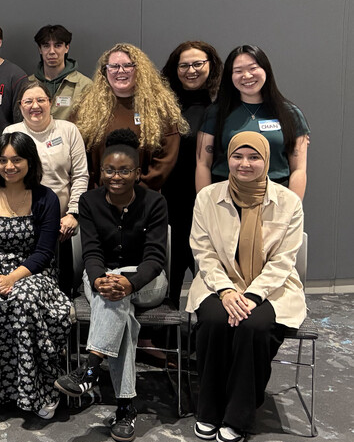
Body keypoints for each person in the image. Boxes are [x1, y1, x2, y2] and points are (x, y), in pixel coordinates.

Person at [188, 132, 305, 442]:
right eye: (237, 156)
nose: (245, 163)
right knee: (214, 320)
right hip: (219, 281)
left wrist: (253, 295)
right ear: (228, 158)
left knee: (252, 326)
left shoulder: (288, 202)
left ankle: (238, 416)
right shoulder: (207, 197)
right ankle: (209, 409)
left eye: (254, 157)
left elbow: (284, 260)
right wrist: (226, 291)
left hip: (271, 286)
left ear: (266, 161)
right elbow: (203, 251)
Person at [55, 129, 169, 442]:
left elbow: (155, 258)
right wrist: (99, 279)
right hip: (102, 278)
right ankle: (125, 408)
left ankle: (91, 367)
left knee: (116, 295)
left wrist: (129, 282)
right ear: (100, 172)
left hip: (147, 282)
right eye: (109, 170)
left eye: (123, 171)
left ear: (137, 173)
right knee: (121, 313)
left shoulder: (155, 202)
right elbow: (91, 252)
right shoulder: (89, 201)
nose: (115, 177)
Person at [0, 133, 70, 419]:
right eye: (3, 160)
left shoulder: (46, 198)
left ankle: (39, 391)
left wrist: (12, 279)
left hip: (33, 273)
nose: (9, 166)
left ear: (30, 161)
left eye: (16, 160)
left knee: (24, 302)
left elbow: (44, 252)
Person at [5, 82, 88, 293]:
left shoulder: (68, 130)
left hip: (62, 225)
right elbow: (4, 177)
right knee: (23, 284)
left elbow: (80, 175)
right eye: (28, 101)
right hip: (22, 223)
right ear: (20, 106)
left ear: (50, 103)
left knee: (61, 286)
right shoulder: (11, 132)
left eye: (41, 100)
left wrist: (73, 214)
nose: (35, 106)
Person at [196, 45, 310, 199]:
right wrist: (206, 204)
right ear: (230, 76)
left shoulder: (290, 114)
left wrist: (291, 207)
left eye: (253, 68)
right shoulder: (215, 113)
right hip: (225, 198)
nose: (247, 75)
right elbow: (203, 164)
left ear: (266, 70)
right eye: (238, 71)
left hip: (275, 198)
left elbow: (299, 169)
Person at [73, 43, 187, 191]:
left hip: (144, 197)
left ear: (140, 70)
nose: (121, 71)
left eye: (128, 65)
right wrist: (94, 193)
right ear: (105, 71)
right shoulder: (86, 107)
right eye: (114, 66)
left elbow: (166, 158)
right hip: (97, 196)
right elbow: (76, 153)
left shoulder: (160, 108)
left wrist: (138, 192)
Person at [161, 41, 223, 306]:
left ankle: (209, 322)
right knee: (172, 262)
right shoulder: (164, 105)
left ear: (211, 66)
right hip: (171, 196)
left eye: (198, 64)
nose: (191, 70)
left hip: (210, 195)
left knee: (210, 264)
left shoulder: (223, 105)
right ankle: (168, 323)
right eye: (184, 65)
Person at [26, 25, 93, 121]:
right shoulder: (27, 84)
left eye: (58, 45)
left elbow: (89, 124)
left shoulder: (84, 85)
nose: (52, 51)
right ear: (40, 49)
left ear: (67, 48)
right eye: (46, 46)